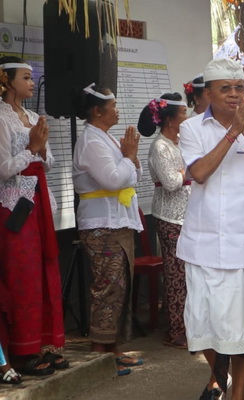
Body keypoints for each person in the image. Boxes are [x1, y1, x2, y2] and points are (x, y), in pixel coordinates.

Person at [177, 57, 244, 400]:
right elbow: (200, 173)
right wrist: (232, 133)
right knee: (204, 324)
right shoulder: (191, 128)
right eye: (226, 89)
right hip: (201, 245)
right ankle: (216, 377)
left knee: (240, 329)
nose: (235, 94)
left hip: (242, 245)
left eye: (239, 87)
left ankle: (236, 393)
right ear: (208, 93)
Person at [0, 57, 67, 377]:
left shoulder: (31, 116)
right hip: (14, 206)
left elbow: (49, 161)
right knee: (21, 277)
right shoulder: (0, 118)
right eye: (25, 77)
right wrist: (32, 149)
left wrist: (40, 149)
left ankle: (43, 344)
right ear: (7, 81)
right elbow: (3, 170)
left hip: (38, 202)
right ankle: (21, 350)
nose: (31, 82)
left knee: (44, 274)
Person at [72, 83, 144, 376]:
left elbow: (134, 175)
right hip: (101, 224)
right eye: (112, 106)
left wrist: (130, 156)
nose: (117, 110)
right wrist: (128, 157)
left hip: (118, 221)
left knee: (120, 286)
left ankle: (112, 347)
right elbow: (114, 180)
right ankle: (99, 352)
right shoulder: (91, 141)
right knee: (108, 287)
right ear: (97, 111)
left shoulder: (106, 138)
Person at [138, 93, 191, 349]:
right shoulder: (160, 146)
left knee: (189, 273)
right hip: (171, 217)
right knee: (176, 275)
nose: (186, 116)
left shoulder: (181, 142)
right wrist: (189, 169)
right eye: (182, 113)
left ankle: (192, 325)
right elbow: (171, 183)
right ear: (170, 120)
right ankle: (175, 330)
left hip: (188, 216)